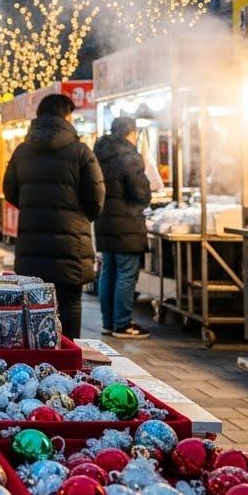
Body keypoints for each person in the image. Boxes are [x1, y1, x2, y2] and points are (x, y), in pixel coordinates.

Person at [2, 93, 105, 339]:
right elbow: (96, 198)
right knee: (70, 306)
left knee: (36, 308)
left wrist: (32, 208)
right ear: (66, 116)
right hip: (71, 246)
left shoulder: (21, 152)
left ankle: (38, 365)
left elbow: (10, 191)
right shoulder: (81, 152)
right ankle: (70, 362)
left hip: (32, 247)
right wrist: (79, 216)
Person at [94, 116, 154, 339]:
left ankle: (109, 322)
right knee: (127, 274)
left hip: (104, 222)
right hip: (126, 223)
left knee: (108, 271)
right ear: (131, 133)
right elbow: (140, 192)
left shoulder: (99, 154)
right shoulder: (128, 155)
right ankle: (122, 324)